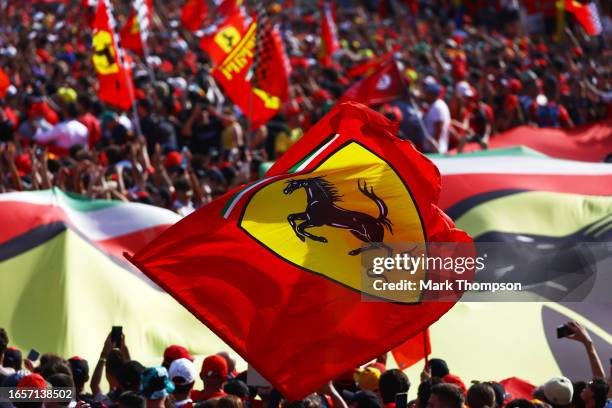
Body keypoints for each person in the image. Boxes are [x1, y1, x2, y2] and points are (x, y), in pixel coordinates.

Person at [422, 78, 451, 154]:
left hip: (435, 150)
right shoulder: (435, 105)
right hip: (435, 148)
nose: (425, 95)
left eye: (427, 93)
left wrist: (434, 146)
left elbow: (439, 128)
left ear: (431, 94)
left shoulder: (437, 106)